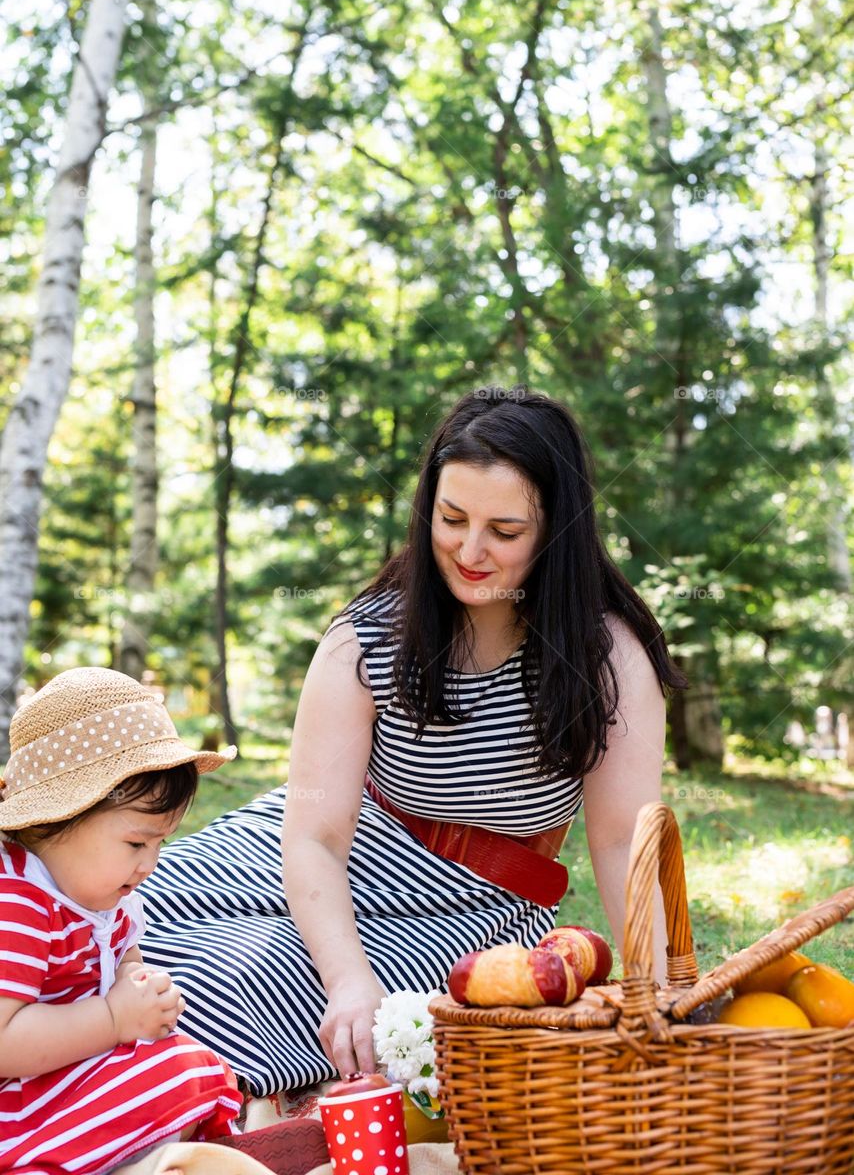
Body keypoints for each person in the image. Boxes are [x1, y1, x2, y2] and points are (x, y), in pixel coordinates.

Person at [138, 387, 685, 1096]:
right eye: (451, 518)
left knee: (240, 983)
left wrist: (663, 987)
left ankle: (116, 1093)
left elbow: (621, 844)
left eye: (506, 531)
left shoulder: (610, 655)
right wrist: (348, 976)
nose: (470, 550)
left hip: (474, 905)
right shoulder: (367, 637)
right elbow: (315, 838)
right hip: (324, 851)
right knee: (110, 917)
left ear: (558, 530)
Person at [0, 666, 244, 1174]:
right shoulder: (20, 903)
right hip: (15, 1107)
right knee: (174, 1075)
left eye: (161, 843)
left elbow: (124, 964)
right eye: (136, 842)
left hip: (67, 1079)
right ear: (57, 818)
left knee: (197, 1066)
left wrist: (143, 992)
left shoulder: (103, 893)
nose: (149, 862)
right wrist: (113, 1020)